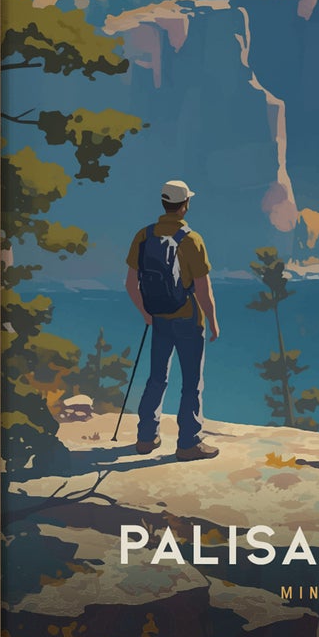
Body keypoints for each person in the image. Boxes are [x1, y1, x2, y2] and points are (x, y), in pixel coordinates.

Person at [125, 179, 221, 459]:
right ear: (185, 206)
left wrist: (146, 313)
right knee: (192, 382)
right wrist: (213, 321)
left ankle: (146, 438)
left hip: (159, 318)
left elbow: (131, 283)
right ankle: (188, 443)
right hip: (189, 319)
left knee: (157, 377)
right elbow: (203, 289)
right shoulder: (192, 239)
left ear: (164, 203)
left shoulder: (143, 236)